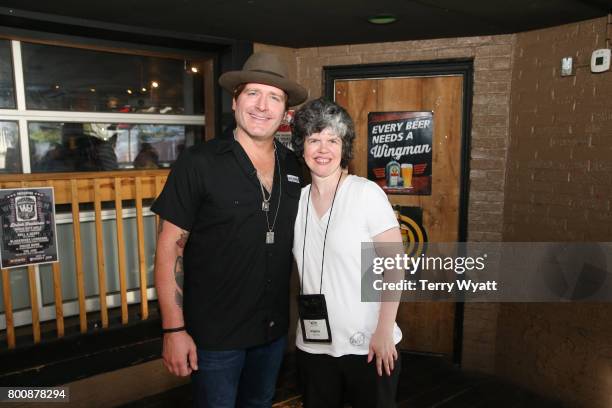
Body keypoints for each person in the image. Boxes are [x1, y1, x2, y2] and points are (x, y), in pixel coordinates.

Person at [151, 52, 307, 408]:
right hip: (215, 337)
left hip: (271, 331)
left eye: (275, 97)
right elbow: (169, 248)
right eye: (253, 93)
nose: (262, 106)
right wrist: (174, 330)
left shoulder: (294, 165)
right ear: (235, 100)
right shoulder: (199, 162)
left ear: (285, 112)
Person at [291, 98, 404, 408]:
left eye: (332, 139)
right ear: (302, 147)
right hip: (314, 346)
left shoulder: (366, 193)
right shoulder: (294, 201)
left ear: (345, 148)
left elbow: (395, 265)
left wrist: (383, 330)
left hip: (367, 344)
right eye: (314, 139)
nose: (323, 149)